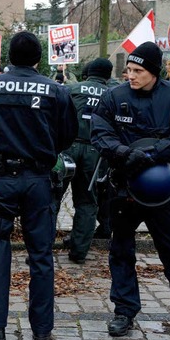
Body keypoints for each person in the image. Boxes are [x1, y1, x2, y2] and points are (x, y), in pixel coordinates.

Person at [0, 31, 77, 340]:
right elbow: (68, 135)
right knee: (41, 254)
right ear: (38, 59)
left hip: (1, 179)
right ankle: (41, 331)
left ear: (9, 58)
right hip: (39, 181)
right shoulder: (56, 91)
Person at [91, 41, 170, 337]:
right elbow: (100, 133)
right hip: (123, 187)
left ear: (154, 72)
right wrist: (124, 153)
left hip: (164, 191)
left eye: (138, 70)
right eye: (128, 69)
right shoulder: (113, 97)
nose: (131, 75)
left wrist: (153, 153)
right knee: (121, 251)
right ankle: (124, 310)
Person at [60, 58, 113, 264]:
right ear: (107, 76)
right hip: (95, 152)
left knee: (53, 197)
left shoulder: (71, 90)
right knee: (87, 201)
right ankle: (79, 251)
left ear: (88, 73)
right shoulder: (113, 95)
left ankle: (42, 248)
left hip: (69, 148)